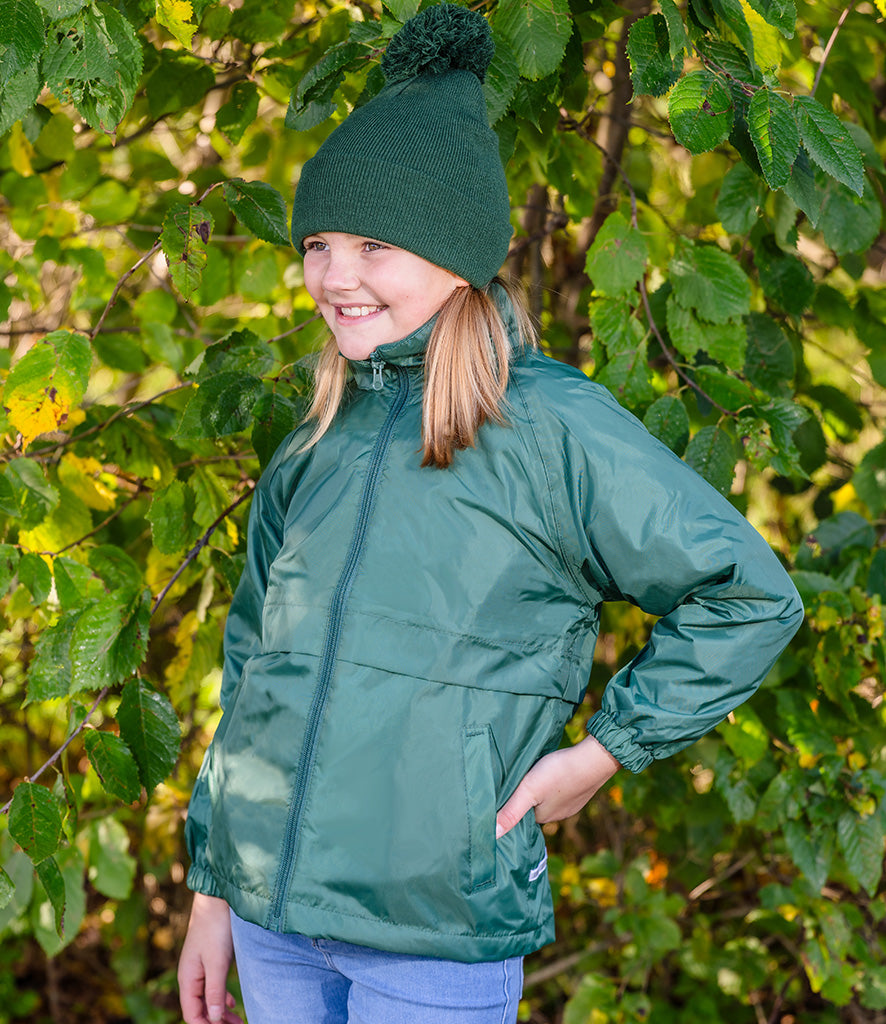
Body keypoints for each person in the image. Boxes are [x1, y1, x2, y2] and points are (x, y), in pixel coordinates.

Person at [177, 6, 804, 1023]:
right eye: (319, 243)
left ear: (456, 254)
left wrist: (604, 753)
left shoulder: (550, 426)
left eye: (374, 245)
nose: (335, 276)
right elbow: (252, 664)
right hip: (270, 927)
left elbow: (746, 594)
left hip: (433, 937)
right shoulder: (318, 435)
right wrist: (213, 885)